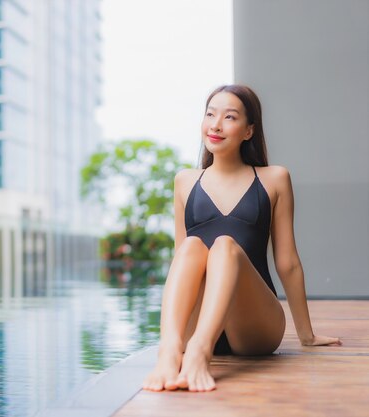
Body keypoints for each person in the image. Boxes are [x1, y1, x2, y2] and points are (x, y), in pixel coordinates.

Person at [142, 84, 342, 393]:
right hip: (197, 322)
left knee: (224, 246)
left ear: (249, 131)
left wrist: (306, 334)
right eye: (210, 114)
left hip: (255, 326)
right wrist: (174, 338)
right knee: (192, 247)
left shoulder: (274, 178)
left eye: (229, 117)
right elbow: (181, 264)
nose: (216, 125)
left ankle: (199, 354)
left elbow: (287, 263)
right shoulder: (184, 181)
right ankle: (169, 352)